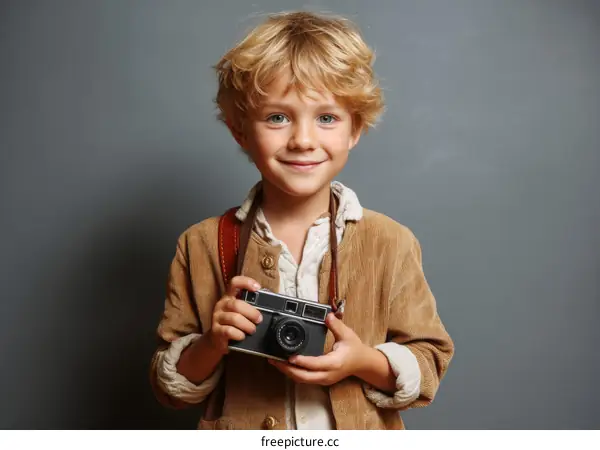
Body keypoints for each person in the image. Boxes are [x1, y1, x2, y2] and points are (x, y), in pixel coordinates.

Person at [149, 10, 454, 430]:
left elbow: (429, 363)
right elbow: (170, 388)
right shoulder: (202, 245)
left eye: (326, 117)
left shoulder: (390, 242)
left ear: (355, 129)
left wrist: (362, 361)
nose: (303, 140)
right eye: (277, 117)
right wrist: (213, 342)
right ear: (241, 132)